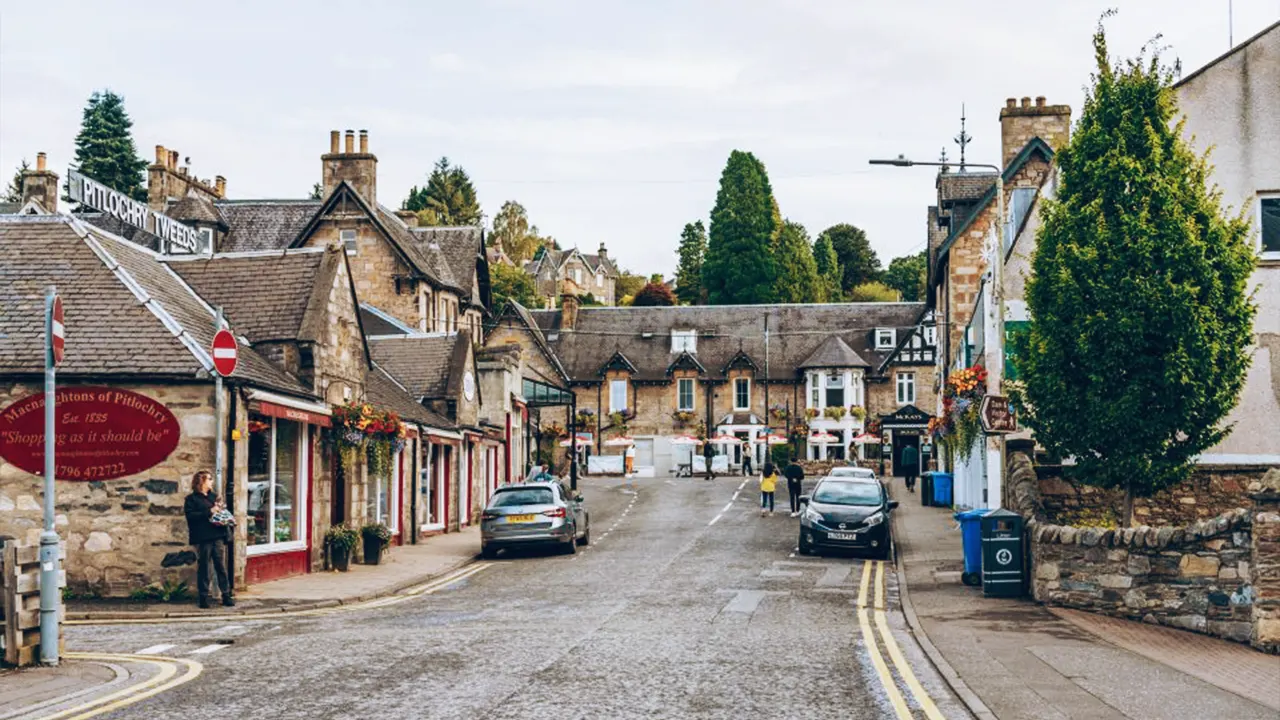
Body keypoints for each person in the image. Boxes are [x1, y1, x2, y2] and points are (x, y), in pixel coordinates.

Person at [184, 470, 233, 609]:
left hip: (217, 536)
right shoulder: (191, 499)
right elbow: (190, 516)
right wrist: (209, 511)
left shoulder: (213, 497)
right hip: (203, 538)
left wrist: (221, 509)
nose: (212, 481)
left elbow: (220, 513)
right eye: (209, 479)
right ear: (201, 482)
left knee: (221, 567)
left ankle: (226, 595)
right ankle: (203, 597)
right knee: (204, 568)